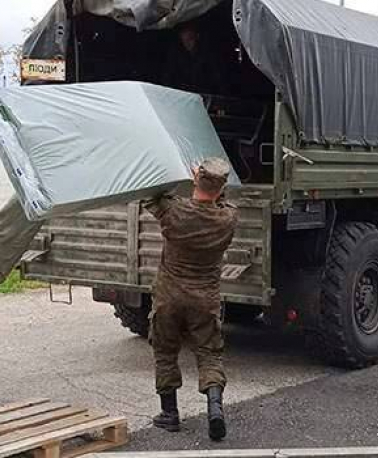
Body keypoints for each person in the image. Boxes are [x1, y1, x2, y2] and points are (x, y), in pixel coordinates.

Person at [143, 158, 238, 441]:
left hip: (169, 296)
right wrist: (211, 182)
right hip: (204, 298)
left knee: (165, 352)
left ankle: (169, 414)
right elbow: (223, 200)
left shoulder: (174, 211)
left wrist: (186, 174)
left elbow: (153, 194)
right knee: (209, 352)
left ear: (195, 180)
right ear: (221, 189)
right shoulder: (228, 218)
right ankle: (214, 409)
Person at [162, 23, 226, 94]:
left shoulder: (207, 54)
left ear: (197, 37)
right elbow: (169, 78)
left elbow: (217, 79)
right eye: (184, 41)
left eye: (190, 39)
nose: (187, 44)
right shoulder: (177, 56)